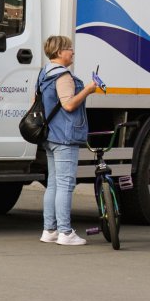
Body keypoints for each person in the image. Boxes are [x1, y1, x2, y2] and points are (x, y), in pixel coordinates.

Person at [38, 35, 99, 246]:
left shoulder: (43, 73)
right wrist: (88, 90)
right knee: (65, 184)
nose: (72, 52)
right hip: (64, 136)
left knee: (53, 183)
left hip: (50, 135)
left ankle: (49, 230)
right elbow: (69, 105)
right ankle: (65, 232)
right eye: (69, 49)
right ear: (59, 52)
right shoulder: (63, 76)